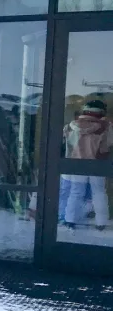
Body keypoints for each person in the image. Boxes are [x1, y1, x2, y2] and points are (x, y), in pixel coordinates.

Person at [63, 99, 112, 231]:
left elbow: (68, 145)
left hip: (76, 163)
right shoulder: (106, 126)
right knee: (99, 192)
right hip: (98, 163)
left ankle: (70, 220)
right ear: (101, 111)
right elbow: (108, 144)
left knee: (75, 192)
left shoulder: (70, 125)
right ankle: (101, 223)